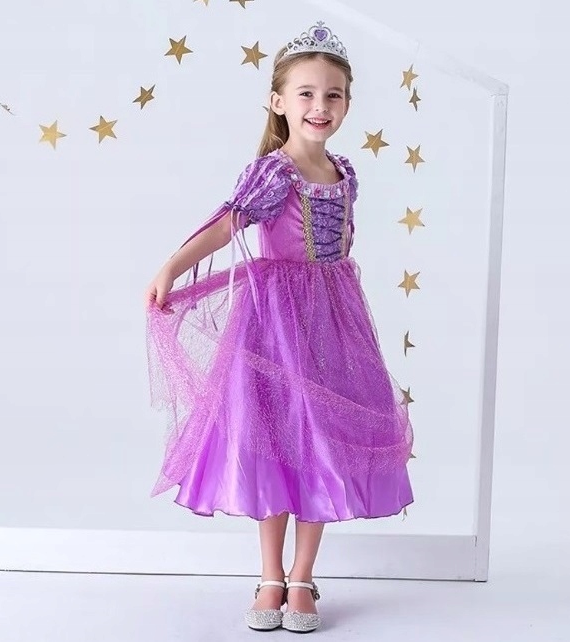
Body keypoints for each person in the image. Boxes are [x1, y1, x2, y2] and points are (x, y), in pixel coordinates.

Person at [144, 20, 414, 634]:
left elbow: (339, 250)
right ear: (278, 102)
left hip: (336, 324)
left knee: (324, 441)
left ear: (347, 104)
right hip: (274, 325)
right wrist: (172, 266)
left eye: (333, 95)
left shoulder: (344, 171)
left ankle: (302, 576)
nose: (320, 106)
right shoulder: (274, 171)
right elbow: (227, 225)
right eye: (306, 94)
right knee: (273, 441)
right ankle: (270, 575)